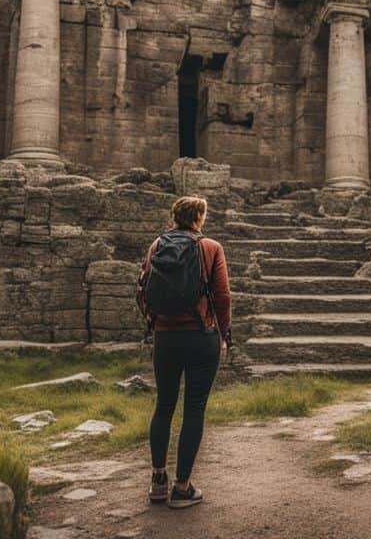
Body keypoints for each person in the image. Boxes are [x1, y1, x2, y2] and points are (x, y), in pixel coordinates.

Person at [136, 195, 231, 509]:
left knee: (163, 406)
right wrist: (224, 333)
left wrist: (154, 321)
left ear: (175, 216)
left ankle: (157, 481)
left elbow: (142, 289)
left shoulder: (156, 245)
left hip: (166, 337)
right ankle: (182, 487)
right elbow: (222, 296)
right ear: (198, 218)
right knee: (194, 408)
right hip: (201, 335)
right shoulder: (211, 247)